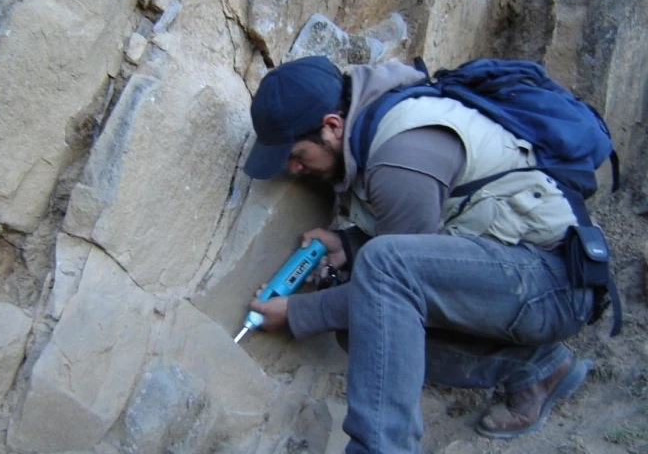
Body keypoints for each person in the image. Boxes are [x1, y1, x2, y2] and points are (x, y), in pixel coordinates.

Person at [243, 56, 595, 453]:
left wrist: (298, 313)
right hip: (521, 274)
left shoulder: (399, 156)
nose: (293, 168)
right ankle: (538, 369)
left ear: (332, 126)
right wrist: (352, 244)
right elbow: (426, 251)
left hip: (554, 284)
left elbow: (394, 277)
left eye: (297, 155)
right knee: (363, 325)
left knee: (376, 295)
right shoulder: (379, 126)